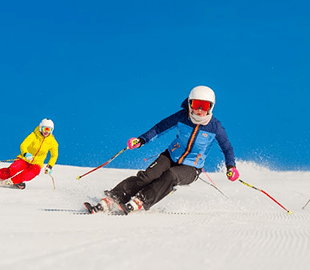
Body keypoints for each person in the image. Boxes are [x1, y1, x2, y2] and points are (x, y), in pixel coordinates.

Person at [87, 85, 238, 214]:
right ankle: (114, 198)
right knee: (147, 176)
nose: (199, 110)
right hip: (170, 156)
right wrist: (141, 139)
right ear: (190, 104)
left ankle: (141, 200)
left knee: (171, 176)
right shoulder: (182, 116)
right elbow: (160, 128)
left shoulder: (215, 127)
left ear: (211, 107)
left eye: (204, 106)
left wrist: (231, 167)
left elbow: (227, 148)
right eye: (196, 104)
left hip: (192, 168)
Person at [0, 118, 58, 189]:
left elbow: (54, 155)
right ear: (40, 128)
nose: (46, 131)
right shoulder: (33, 135)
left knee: (32, 173)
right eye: (44, 129)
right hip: (25, 159)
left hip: (36, 163)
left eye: (49, 129)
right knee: (13, 169)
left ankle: (13, 181)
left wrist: (50, 166)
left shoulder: (52, 142)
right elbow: (24, 144)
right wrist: (26, 153)